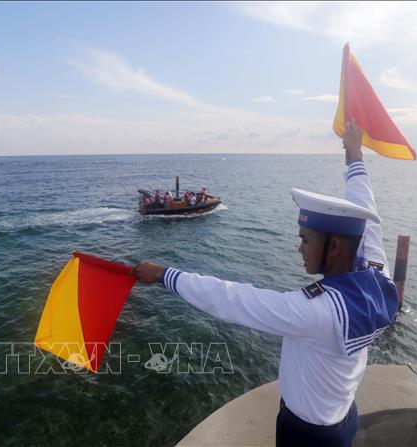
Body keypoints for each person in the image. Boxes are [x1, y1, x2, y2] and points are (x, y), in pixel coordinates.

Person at [132, 119, 399, 447]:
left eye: (305, 239)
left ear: (334, 247)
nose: (298, 247)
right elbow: (366, 215)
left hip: (307, 434)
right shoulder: (377, 277)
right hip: (343, 418)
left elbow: (233, 299)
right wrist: (354, 156)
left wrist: (164, 275)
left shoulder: (316, 312)